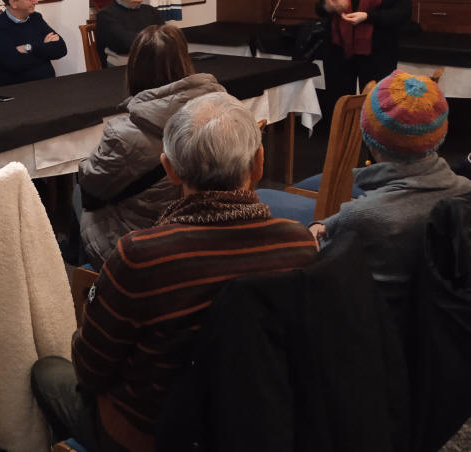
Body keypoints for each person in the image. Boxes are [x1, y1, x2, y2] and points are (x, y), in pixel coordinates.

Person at [31, 92, 318, 452]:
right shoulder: (299, 245)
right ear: (259, 163)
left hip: (152, 436)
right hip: (261, 427)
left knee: (47, 372)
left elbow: (91, 369)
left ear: (170, 169)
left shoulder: (141, 256)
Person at [310, 70, 471, 313]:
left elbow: (325, 286)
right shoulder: (465, 191)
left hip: (378, 331)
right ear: (440, 133)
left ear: (368, 135)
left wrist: (318, 230)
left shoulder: (363, 216)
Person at [78, 25, 223, 267]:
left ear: (134, 68)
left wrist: (86, 162)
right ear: (184, 60)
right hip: (208, 232)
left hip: (144, 244)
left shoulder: (124, 134)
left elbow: (92, 184)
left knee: (81, 197)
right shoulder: (221, 111)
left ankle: (89, 280)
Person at [0, 0, 67, 87]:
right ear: (13, 2)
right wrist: (44, 48)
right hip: (16, 90)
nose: (35, 1)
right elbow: (13, 63)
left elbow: (61, 49)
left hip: (47, 86)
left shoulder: (36, 18)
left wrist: (28, 48)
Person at [94, 0, 164, 67]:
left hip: (151, 64)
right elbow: (125, 44)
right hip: (120, 69)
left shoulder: (151, 11)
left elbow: (166, 38)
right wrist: (154, 38)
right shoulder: (106, 15)